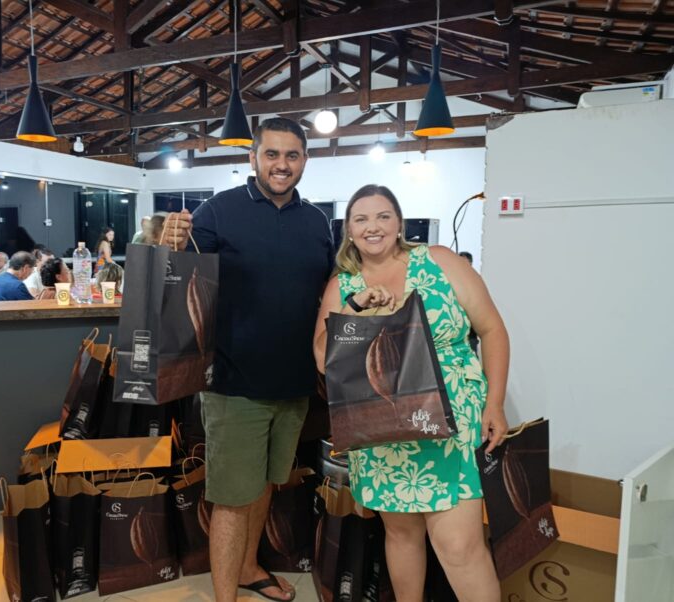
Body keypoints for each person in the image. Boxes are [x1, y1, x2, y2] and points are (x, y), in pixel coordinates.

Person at [161, 117, 334, 602]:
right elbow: (179, 271)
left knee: (264, 487)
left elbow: (330, 292)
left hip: (294, 384)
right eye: (272, 154)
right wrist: (169, 240)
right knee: (233, 499)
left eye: (292, 155)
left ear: (305, 160)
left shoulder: (316, 222)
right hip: (233, 383)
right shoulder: (218, 211)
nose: (282, 164)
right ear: (252, 157)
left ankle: (249, 567)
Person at [312, 185, 509, 602]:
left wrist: (494, 403)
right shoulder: (343, 286)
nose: (373, 226)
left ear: (399, 224)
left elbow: (492, 329)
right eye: (361, 219)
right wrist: (355, 307)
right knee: (401, 535)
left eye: (383, 216)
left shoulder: (439, 261)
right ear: (349, 231)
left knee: (459, 546)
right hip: (381, 428)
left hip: (450, 422)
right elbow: (322, 358)